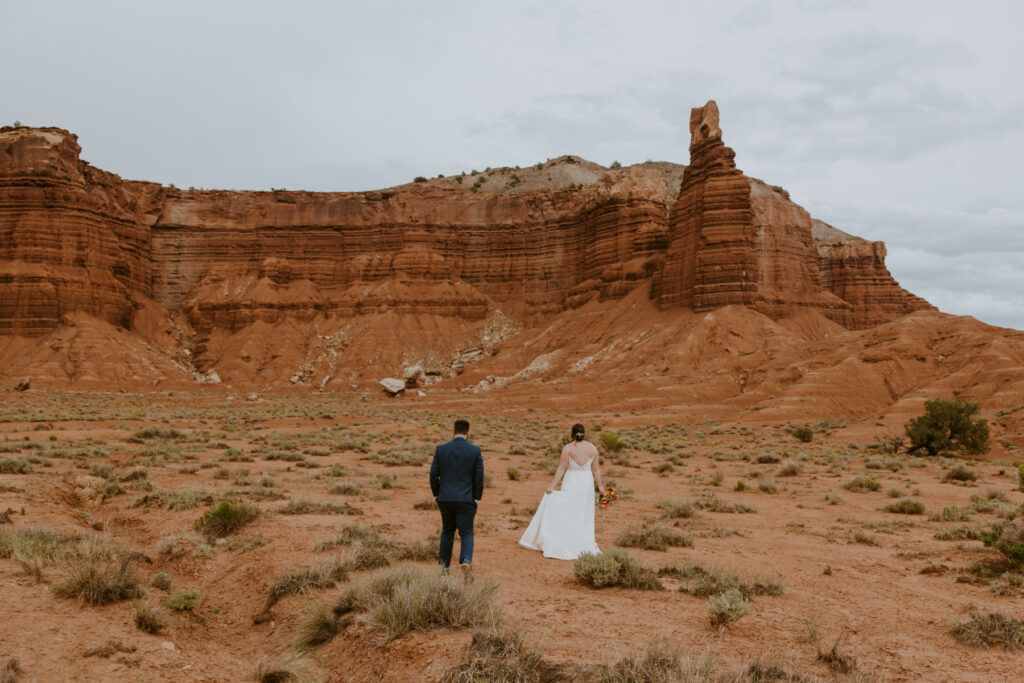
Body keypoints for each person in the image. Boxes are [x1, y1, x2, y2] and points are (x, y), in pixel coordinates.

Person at [518, 423, 604, 560]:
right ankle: (580, 540)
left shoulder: (568, 448)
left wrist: (552, 485)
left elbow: (561, 468)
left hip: (572, 480)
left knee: (569, 510)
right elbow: (596, 469)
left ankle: (566, 540)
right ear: (584, 433)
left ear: (572, 434)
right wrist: (600, 487)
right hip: (586, 482)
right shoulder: (592, 448)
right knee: (583, 512)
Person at [430, 419, 484, 577]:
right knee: (466, 532)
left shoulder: (441, 449)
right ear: (468, 433)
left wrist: (437, 493)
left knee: (447, 531)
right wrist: (477, 497)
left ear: (453, 432)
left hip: (445, 497)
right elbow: (478, 477)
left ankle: (444, 567)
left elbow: (433, 475)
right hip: (466, 498)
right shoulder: (475, 451)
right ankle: (466, 561)